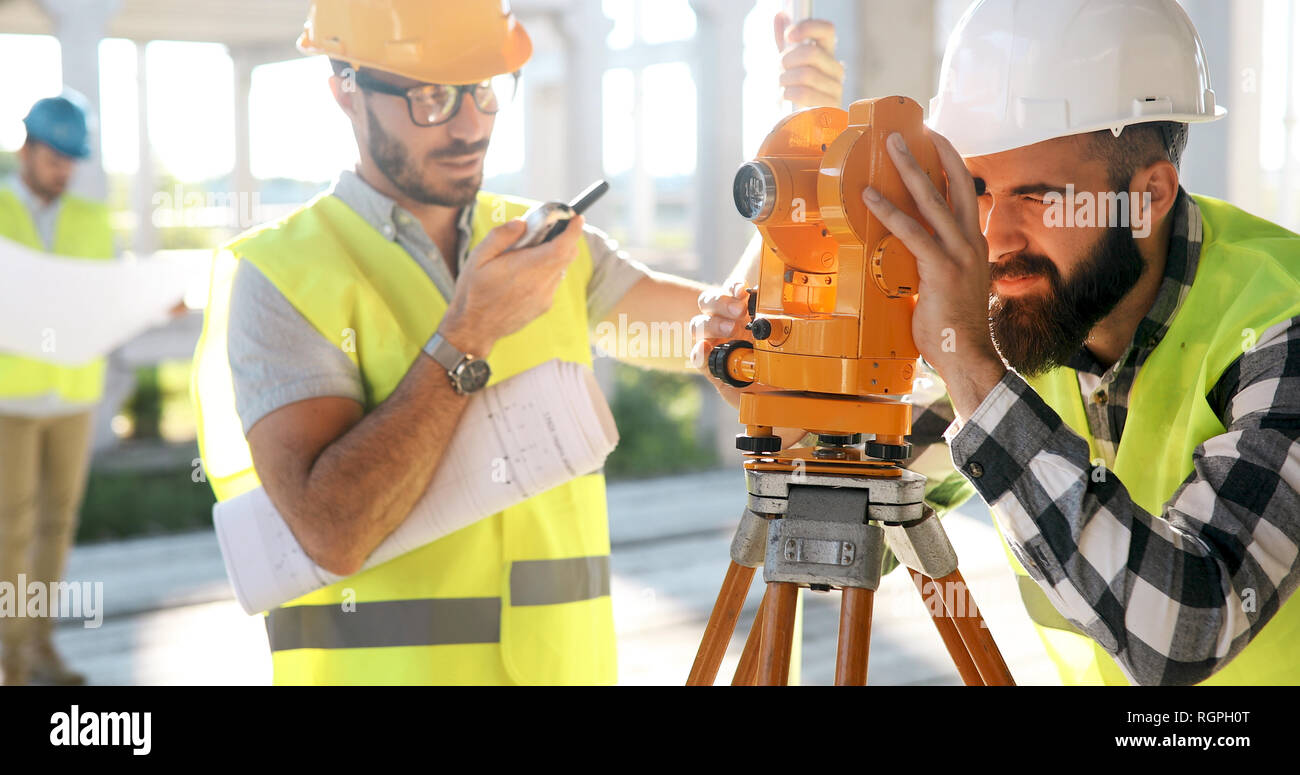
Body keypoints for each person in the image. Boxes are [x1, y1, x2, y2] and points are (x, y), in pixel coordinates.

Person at [192, 0, 844, 685]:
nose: (470, 124)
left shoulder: (550, 242)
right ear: (345, 92)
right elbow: (332, 531)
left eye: (484, 90)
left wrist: (793, 160)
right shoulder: (282, 274)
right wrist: (466, 335)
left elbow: (729, 327)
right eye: (431, 98)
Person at [695, 0, 1300, 685]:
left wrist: (972, 370)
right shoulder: (1022, 311)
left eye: (1039, 197)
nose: (995, 238)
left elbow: (1189, 629)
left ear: (1148, 194)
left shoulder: (1281, 320)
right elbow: (851, 522)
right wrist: (788, 390)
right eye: (977, 188)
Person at [0, 90, 112, 686]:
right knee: (9, 529)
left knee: (57, 525)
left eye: (72, 159)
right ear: (27, 149)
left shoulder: (91, 218)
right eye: (54, 158)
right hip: (10, 398)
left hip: (73, 392)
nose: (63, 170)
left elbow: (105, 295)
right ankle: (10, 662)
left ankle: (40, 647)